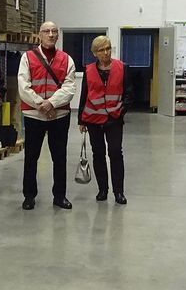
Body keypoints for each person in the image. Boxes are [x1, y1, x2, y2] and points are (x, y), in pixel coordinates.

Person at [18, 21, 76, 210]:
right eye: (46, 31)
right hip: (34, 115)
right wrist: (40, 104)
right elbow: (23, 85)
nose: (50, 35)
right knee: (31, 157)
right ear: (39, 35)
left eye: (54, 31)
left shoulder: (67, 59)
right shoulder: (27, 58)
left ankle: (60, 196)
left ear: (58, 35)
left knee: (59, 157)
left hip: (59, 116)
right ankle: (29, 196)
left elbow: (70, 87)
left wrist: (51, 103)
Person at [77, 35, 127, 205]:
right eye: (102, 50)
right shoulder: (89, 70)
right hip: (93, 119)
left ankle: (118, 192)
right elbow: (84, 94)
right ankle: (102, 190)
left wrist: (121, 111)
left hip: (114, 118)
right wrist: (81, 120)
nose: (106, 52)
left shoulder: (122, 67)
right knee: (98, 154)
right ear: (94, 53)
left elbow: (129, 94)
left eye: (108, 48)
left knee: (115, 152)